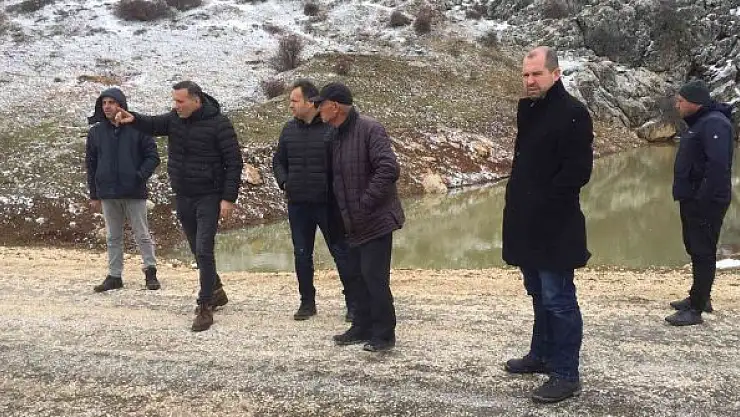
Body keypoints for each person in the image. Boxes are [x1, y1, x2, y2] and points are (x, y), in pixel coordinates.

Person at [501, 47, 593, 403]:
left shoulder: (573, 113)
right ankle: (540, 354)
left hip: (555, 226)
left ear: (556, 74)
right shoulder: (528, 108)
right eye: (526, 74)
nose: (530, 81)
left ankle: (566, 374)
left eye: (536, 74)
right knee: (538, 294)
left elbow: (577, 172)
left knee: (559, 301)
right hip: (526, 224)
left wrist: (543, 205)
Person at [116, 81, 244, 332]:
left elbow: (234, 162)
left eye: (180, 101)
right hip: (184, 195)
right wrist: (134, 119)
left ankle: (205, 306)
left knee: (204, 249)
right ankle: (216, 290)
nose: (176, 106)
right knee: (197, 249)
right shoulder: (175, 119)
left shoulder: (219, 124)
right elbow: (154, 124)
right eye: (174, 101)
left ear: (196, 100)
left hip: (209, 195)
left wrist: (228, 198)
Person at [309, 82, 405, 352]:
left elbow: (388, 168)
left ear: (335, 106)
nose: (317, 109)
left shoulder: (370, 129)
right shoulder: (334, 135)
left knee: (374, 278)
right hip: (348, 222)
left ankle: (384, 334)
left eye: (321, 104)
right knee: (355, 277)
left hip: (374, 219)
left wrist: (364, 203)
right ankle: (361, 327)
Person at [272, 79, 355, 321]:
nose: (290, 105)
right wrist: (284, 182)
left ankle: (354, 304)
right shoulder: (288, 130)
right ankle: (307, 302)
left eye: (294, 100)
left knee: (341, 253)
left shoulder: (331, 129)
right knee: (301, 254)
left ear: (310, 103)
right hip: (298, 204)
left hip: (328, 205)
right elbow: (278, 161)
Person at [666, 79, 735, 326]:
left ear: (695, 103)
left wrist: (701, 199)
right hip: (693, 199)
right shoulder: (701, 123)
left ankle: (696, 309)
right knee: (696, 248)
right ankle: (700, 297)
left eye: (681, 101)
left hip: (706, 202)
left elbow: (717, 167)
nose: (677, 105)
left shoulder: (715, 124)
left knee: (703, 251)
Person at [86, 87, 161, 293]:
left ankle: (150, 271)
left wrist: (138, 176)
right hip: (108, 192)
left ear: (121, 105)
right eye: (104, 103)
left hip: (134, 191)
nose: (107, 106)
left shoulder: (138, 128)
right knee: (113, 236)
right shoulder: (96, 132)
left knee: (141, 233)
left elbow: (153, 157)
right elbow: (91, 164)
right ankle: (114, 276)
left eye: (111, 102)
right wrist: (94, 193)